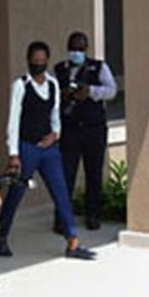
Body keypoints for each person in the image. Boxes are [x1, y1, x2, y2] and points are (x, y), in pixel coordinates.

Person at [0, 42, 95, 260]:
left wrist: (55, 134)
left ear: (47, 61)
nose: (38, 64)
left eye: (42, 60)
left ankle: (73, 242)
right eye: (34, 60)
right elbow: (14, 119)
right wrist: (13, 154)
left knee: (61, 193)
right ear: (28, 60)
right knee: (16, 194)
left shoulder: (53, 84)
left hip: (49, 149)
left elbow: (55, 114)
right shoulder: (20, 85)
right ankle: (1, 236)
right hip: (27, 147)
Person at [53, 31, 117, 231]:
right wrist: (63, 95)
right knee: (66, 175)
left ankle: (93, 216)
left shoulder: (98, 67)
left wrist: (90, 92)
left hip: (93, 129)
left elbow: (112, 90)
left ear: (86, 49)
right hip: (70, 130)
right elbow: (51, 93)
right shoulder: (60, 69)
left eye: (80, 49)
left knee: (94, 174)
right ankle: (62, 219)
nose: (76, 53)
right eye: (73, 49)